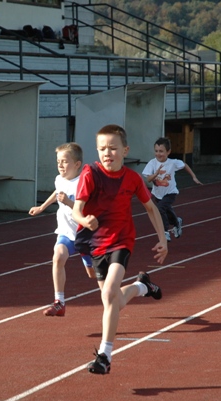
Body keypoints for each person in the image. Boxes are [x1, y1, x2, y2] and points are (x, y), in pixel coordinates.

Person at [72, 124, 168, 374]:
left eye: (113, 148)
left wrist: (163, 239)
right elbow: (76, 210)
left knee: (109, 295)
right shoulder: (90, 174)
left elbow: (151, 208)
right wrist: (84, 221)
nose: (107, 153)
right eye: (102, 148)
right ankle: (142, 286)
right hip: (96, 244)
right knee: (113, 300)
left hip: (122, 242)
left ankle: (105, 355)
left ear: (125, 150)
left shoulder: (133, 178)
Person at [28, 142, 96, 317]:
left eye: (64, 161)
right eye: (58, 161)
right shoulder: (59, 179)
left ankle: (135, 287)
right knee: (58, 257)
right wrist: (42, 207)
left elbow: (86, 211)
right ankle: (59, 302)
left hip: (84, 235)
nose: (60, 165)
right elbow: (56, 192)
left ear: (77, 164)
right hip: (66, 233)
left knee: (93, 275)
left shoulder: (82, 183)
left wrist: (69, 202)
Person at [142, 137, 202, 242]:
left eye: (161, 151)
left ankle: (165, 231)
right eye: (156, 151)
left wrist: (194, 177)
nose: (158, 154)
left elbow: (184, 165)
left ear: (168, 152)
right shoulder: (152, 163)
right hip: (158, 193)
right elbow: (148, 179)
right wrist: (155, 174)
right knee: (167, 209)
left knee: (160, 208)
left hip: (171, 192)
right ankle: (177, 222)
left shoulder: (173, 162)